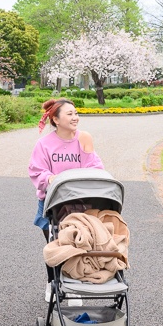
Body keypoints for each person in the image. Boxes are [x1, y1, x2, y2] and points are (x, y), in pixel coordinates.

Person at [28, 98, 104, 298]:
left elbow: (94, 165)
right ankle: (52, 283)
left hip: (80, 201)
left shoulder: (83, 138)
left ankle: (74, 286)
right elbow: (37, 170)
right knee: (54, 245)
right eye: (69, 114)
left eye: (76, 113)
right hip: (52, 202)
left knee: (78, 243)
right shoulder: (44, 144)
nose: (75, 117)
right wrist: (50, 178)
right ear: (56, 119)